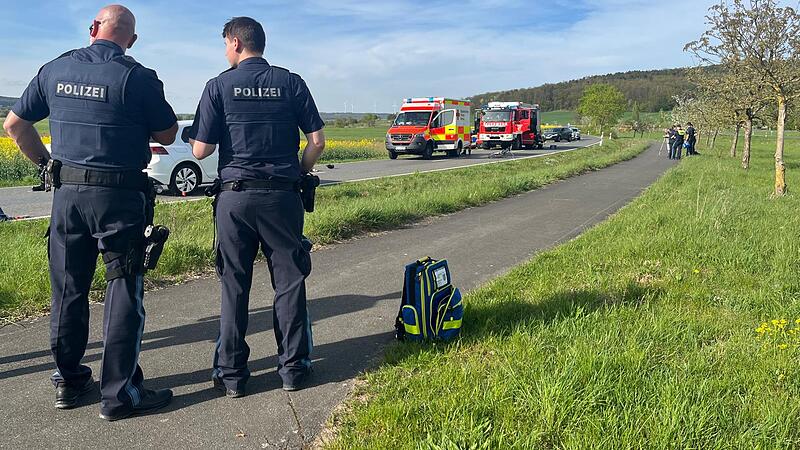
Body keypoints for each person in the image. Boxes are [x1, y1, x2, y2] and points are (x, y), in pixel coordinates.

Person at [2, 5, 178, 421]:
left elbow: (14, 125)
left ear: (92, 29)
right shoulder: (137, 77)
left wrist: (47, 166)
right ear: (131, 40)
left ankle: (69, 381)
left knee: (67, 289)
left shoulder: (54, 69)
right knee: (122, 289)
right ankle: (119, 396)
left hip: (68, 196)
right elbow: (168, 133)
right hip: (119, 197)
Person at [189, 17, 325, 397]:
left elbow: (202, 150)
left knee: (234, 284)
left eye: (225, 45)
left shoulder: (218, 85)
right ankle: (294, 369)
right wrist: (298, 171)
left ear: (235, 42)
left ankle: (232, 376)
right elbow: (317, 141)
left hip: (234, 198)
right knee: (289, 283)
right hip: (282, 197)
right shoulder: (291, 82)